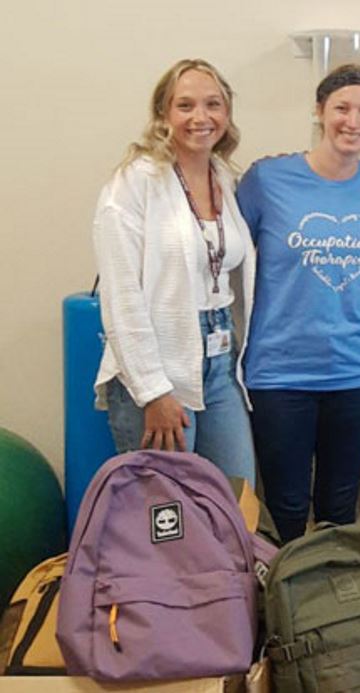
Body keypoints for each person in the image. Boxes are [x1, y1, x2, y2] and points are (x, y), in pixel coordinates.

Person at [237, 64, 360, 541]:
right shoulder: (267, 178)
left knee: (340, 504)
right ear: (320, 111)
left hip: (358, 368)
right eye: (342, 107)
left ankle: (331, 605)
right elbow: (229, 254)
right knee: (284, 504)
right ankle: (285, 606)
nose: (353, 121)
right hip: (280, 371)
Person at [93, 59, 257, 484]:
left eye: (213, 104)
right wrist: (153, 391)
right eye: (185, 105)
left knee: (236, 499)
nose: (200, 117)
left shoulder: (224, 176)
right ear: (163, 114)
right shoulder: (135, 182)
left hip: (220, 363)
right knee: (170, 517)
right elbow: (121, 296)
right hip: (158, 366)